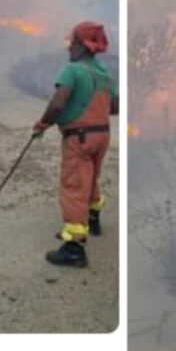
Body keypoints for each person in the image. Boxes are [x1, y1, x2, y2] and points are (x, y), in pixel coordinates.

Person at [33, 21, 118, 267]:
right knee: (90, 179)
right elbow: (115, 106)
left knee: (73, 187)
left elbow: (58, 103)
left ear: (82, 45)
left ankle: (73, 248)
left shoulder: (72, 70)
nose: (68, 47)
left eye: (72, 42)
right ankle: (94, 219)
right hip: (102, 136)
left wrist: (43, 123)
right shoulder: (103, 73)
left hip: (78, 138)